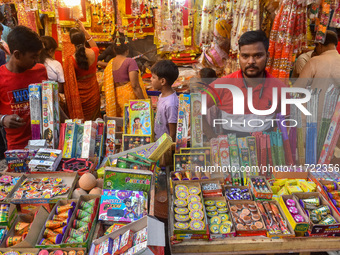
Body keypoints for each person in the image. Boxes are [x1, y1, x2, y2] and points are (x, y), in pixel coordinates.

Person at [204, 30, 288, 137]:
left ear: (267, 56)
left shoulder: (279, 88)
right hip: (230, 151)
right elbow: (195, 109)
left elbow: (289, 121)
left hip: (266, 151)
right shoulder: (222, 85)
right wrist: (212, 138)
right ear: (239, 56)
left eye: (257, 56)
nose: (251, 61)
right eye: (245, 56)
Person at [0, 26, 47, 150]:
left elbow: (50, 102)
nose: (36, 60)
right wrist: (3, 119)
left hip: (45, 142)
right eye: (33, 57)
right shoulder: (1, 77)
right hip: (17, 148)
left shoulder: (40, 70)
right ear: (17, 54)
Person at [295, 30, 340, 129]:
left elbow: (298, 89)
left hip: (311, 118)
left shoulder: (315, 61)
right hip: (334, 122)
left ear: (320, 45)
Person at [63, 20, 101, 121]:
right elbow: (94, 46)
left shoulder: (70, 59)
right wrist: (84, 30)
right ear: (84, 39)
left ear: (71, 42)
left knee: (82, 124)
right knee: (94, 122)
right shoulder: (94, 52)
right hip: (93, 93)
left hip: (79, 97)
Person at [104, 36, 147, 117]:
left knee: (121, 122)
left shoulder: (111, 63)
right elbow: (135, 86)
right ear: (127, 50)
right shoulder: (130, 62)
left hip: (116, 97)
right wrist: (144, 103)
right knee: (133, 122)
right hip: (129, 98)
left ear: (114, 50)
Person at [151, 60, 179, 141]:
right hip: (158, 141)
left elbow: (172, 133)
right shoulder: (161, 95)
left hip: (164, 145)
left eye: (153, 77)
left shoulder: (171, 103)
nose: (151, 79)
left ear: (162, 81)